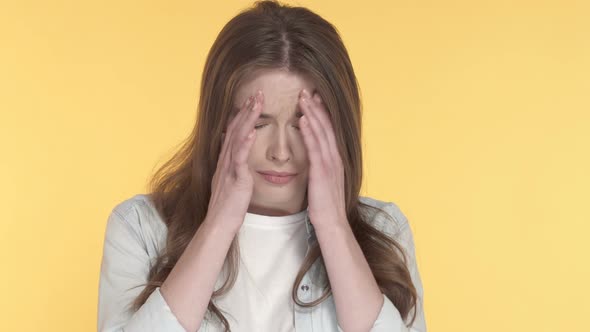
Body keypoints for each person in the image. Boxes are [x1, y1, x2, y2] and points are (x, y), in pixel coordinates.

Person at [97, 1, 427, 331]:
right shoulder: (141, 229)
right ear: (220, 124)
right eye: (258, 123)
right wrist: (219, 224)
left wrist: (334, 226)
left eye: (303, 124)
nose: (281, 152)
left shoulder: (386, 232)